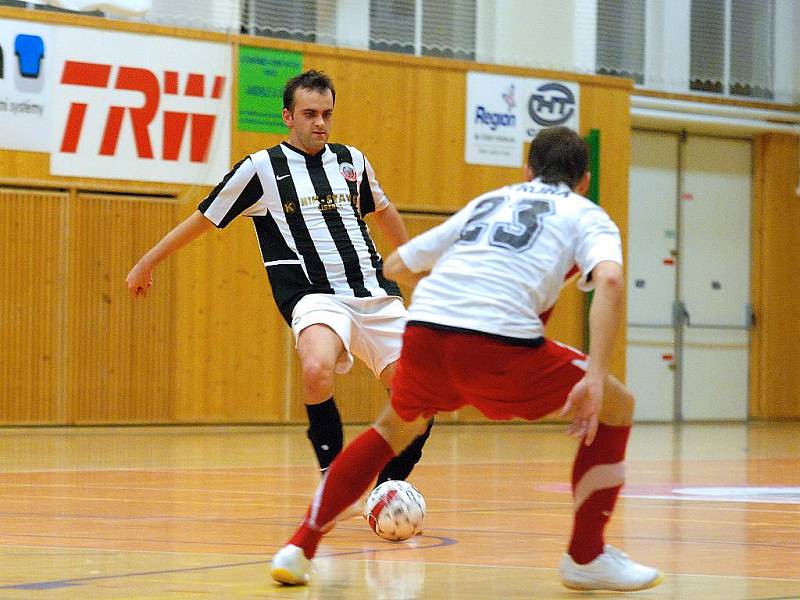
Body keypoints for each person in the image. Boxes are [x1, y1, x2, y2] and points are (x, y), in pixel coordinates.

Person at [270, 126, 663, 592]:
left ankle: (299, 547)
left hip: (425, 333)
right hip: (501, 348)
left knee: (392, 429)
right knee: (618, 406)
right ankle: (586, 555)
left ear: (527, 169)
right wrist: (596, 375)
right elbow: (612, 283)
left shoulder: (490, 202)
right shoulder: (586, 214)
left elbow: (399, 264)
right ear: (584, 181)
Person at [126, 70, 433, 502]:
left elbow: (383, 212)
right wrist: (145, 262)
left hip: (374, 294)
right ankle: (335, 479)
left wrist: (415, 262)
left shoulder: (352, 161)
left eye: (327, 114)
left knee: (421, 395)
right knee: (315, 368)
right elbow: (201, 221)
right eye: (310, 114)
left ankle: (389, 487)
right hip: (315, 297)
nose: (320, 123)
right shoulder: (260, 169)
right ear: (288, 116)